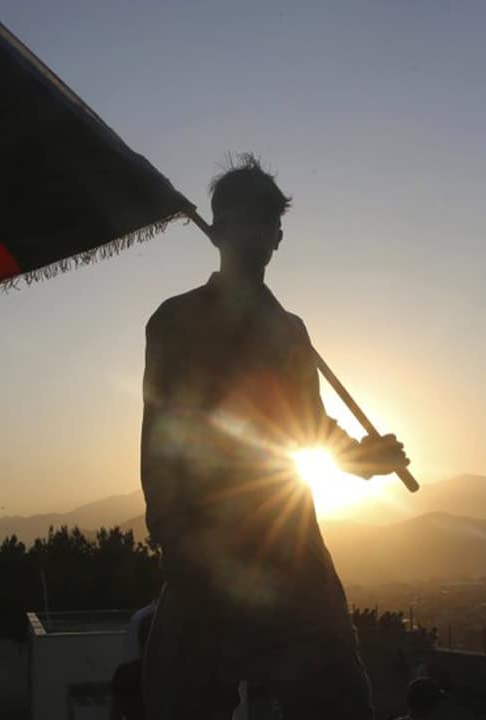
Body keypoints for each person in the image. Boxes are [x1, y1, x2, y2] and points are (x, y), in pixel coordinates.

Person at [139, 155, 410, 719]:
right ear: (218, 227)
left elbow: (310, 430)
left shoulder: (292, 331)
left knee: (339, 700)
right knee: (178, 704)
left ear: (278, 237)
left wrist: (365, 458)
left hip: (289, 543)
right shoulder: (175, 321)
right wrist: (175, 542)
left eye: (267, 222)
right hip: (204, 550)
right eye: (244, 219)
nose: (257, 233)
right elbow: (160, 437)